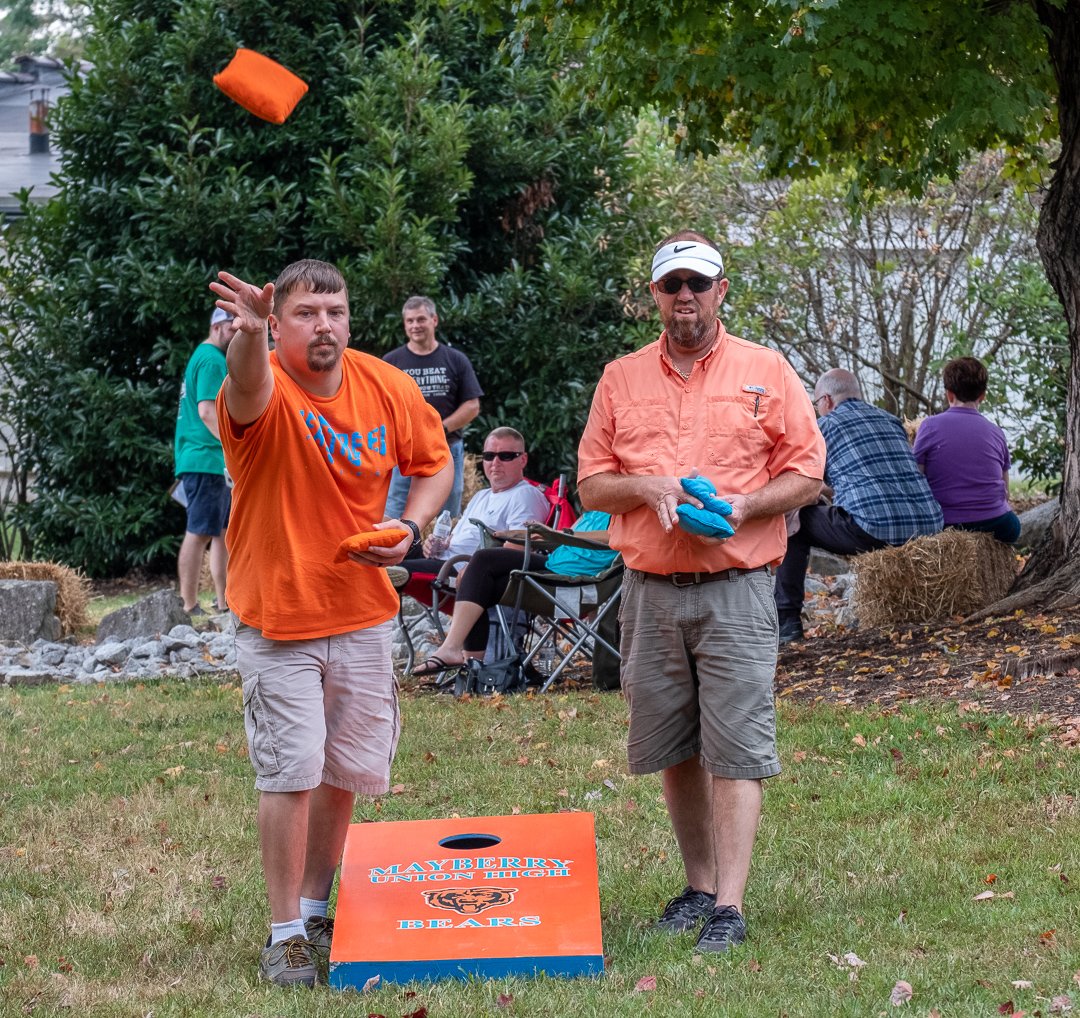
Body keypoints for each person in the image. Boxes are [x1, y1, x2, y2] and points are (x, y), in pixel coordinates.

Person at [576, 230, 825, 954]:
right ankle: (699, 885)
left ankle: (732, 906)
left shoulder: (766, 370)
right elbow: (591, 481)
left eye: (698, 284)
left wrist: (745, 508)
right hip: (650, 589)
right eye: (671, 285)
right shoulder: (620, 378)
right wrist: (646, 486)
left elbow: (807, 471)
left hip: (737, 588)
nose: (685, 297)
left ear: (721, 290)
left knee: (737, 745)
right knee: (675, 747)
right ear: (654, 294)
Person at [208, 259, 452, 988]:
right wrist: (247, 337)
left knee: (344, 771)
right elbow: (247, 390)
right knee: (291, 771)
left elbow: (435, 466)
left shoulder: (386, 385)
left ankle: (317, 908)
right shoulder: (263, 387)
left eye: (336, 311)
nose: (325, 325)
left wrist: (412, 525)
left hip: (363, 615)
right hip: (280, 616)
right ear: (278, 323)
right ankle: (284, 936)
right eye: (307, 313)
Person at [774, 368, 944, 644]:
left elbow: (805, 484)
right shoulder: (890, 421)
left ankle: (787, 620)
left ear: (826, 400)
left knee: (794, 518)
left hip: (874, 529)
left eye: (818, 404)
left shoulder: (824, 428)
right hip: (929, 526)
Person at [411, 510, 616, 676]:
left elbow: (617, 538)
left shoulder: (625, 514)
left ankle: (453, 650)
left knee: (482, 564)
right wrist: (525, 535)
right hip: (552, 567)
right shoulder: (590, 512)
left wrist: (560, 535)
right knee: (480, 573)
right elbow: (560, 541)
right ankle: (474, 669)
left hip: (576, 583)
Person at [400, 426, 550, 582]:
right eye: (489, 456)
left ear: (523, 459)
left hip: (462, 571)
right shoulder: (481, 495)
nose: (495, 463)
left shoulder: (525, 495)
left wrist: (475, 569)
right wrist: (434, 545)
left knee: (391, 571)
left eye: (505, 456)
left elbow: (518, 550)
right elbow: (454, 540)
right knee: (393, 534)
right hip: (444, 561)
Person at [383, 296, 483, 519]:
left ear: (434, 320)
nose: (415, 326)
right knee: (395, 509)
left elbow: (472, 405)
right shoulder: (391, 362)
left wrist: (438, 428)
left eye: (420, 319)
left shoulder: (455, 359)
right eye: (409, 321)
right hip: (404, 450)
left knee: (449, 510)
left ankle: (442, 553)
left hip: (446, 447)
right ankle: (398, 553)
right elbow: (380, 406)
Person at [913, 357, 1021, 544]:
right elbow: (1005, 492)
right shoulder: (996, 432)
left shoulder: (930, 426)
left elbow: (917, 476)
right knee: (1014, 527)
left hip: (945, 522)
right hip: (995, 522)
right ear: (983, 396)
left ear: (949, 394)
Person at [173, 307, 235, 615]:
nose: (236, 333)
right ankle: (188, 604)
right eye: (231, 327)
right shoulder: (211, 359)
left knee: (222, 533)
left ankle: (222, 600)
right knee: (198, 532)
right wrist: (234, 445)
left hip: (206, 459)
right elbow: (208, 411)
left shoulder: (204, 356)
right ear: (217, 326)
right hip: (205, 458)